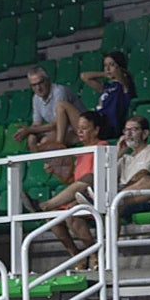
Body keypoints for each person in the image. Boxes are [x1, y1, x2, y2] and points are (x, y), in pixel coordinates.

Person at [23, 110, 106, 267]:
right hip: (78, 195)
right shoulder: (80, 152)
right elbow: (73, 181)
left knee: (71, 213)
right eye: (79, 128)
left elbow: (92, 178)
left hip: (95, 195)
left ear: (96, 130)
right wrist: (55, 171)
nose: (80, 132)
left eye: (85, 128)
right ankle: (76, 255)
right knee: (52, 216)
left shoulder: (101, 146)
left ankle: (95, 253)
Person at [52, 51, 136, 144]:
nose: (107, 68)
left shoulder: (124, 86)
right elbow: (84, 76)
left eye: (111, 65)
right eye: (105, 65)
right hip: (94, 122)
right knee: (51, 138)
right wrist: (105, 73)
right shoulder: (106, 87)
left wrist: (117, 70)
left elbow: (120, 75)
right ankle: (58, 146)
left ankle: (58, 145)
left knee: (62, 105)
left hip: (107, 128)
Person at [13, 66, 79, 151]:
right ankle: (37, 163)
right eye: (34, 85)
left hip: (75, 130)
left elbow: (54, 125)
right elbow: (36, 124)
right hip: (58, 131)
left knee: (45, 142)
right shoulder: (36, 98)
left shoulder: (59, 92)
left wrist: (29, 129)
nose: (38, 88)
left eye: (40, 83)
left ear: (48, 80)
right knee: (32, 138)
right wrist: (28, 132)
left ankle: (59, 148)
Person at [110, 116, 150, 220]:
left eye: (133, 130)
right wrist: (118, 154)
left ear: (145, 134)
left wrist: (120, 191)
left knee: (147, 178)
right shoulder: (124, 158)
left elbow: (144, 174)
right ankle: (114, 200)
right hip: (123, 198)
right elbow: (105, 178)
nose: (128, 134)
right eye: (126, 130)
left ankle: (112, 199)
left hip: (145, 199)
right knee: (114, 206)